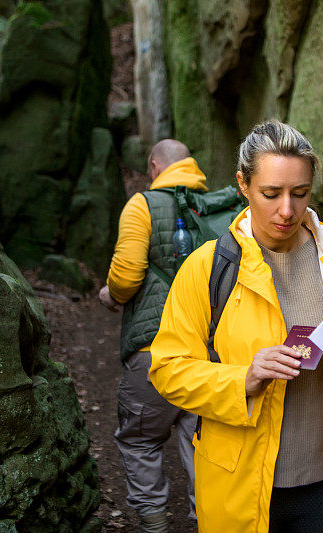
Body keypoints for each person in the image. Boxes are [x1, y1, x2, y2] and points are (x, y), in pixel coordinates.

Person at [148, 120, 323, 533]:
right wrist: (243, 380)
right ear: (243, 185)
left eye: (300, 193)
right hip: (239, 484)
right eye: (271, 194)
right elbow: (167, 369)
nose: (286, 210)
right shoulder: (209, 268)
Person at [99, 139, 205, 532]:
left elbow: (126, 278)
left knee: (141, 441)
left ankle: (155, 526)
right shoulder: (222, 210)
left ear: (156, 167)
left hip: (155, 351)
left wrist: (110, 293)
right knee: (204, 444)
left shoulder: (143, 204)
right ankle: (209, 520)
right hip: (213, 355)